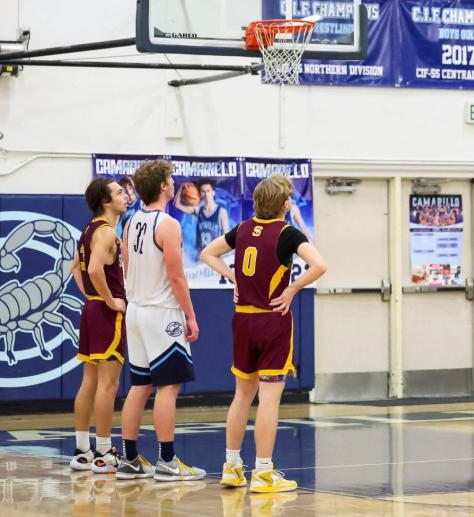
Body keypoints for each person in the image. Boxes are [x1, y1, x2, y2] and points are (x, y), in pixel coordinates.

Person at [200, 173, 327, 493]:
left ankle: (231, 467)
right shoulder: (287, 233)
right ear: (285, 204)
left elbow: (207, 254)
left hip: (243, 321)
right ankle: (264, 472)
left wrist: (233, 277)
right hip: (273, 320)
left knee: (242, 395)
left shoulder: (242, 229)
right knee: (269, 399)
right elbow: (320, 265)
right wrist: (295, 287)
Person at [117, 159, 205, 481]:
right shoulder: (168, 224)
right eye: (170, 178)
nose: (174, 182)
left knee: (139, 386)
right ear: (163, 185)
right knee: (168, 386)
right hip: (161, 311)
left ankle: (128, 459)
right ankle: (167, 461)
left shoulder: (130, 222)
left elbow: (126, 266)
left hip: (136, 310)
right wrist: (191, 315)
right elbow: (177, 277)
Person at [70, 178, 129, 473]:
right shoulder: (106, 232)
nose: (125, 195)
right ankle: (104, 452)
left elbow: (75, 269)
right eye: (119, 192)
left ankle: (82, 451)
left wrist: (93, 298)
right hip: (106, 313)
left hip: (91, 310)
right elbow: (93, 270)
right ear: (106, 201)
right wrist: (109, 300)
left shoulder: (88, 229)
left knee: (89, 382)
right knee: (109, 384)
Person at [175, 178, 229, 258]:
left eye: (208, 191)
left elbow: (227, 237)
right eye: (203, 191)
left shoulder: (221, 212)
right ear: (200, 194)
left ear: (213, 192)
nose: (206, 194)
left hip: (216, 255)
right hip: (201, 255)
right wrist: (181, 187)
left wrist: (223, 256)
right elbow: (177, 204)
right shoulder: (198, 210)